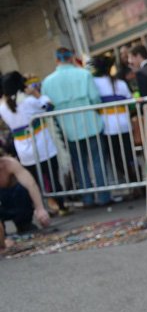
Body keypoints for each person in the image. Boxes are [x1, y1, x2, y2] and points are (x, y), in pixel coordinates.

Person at [41, 47, 112, 208]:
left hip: (68, 129)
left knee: (79, 164)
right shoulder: (84, 74)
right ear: (72, 58)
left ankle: (87, 198)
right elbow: (95, 98)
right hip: (91, 124)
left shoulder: (47, 82)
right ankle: (104, 196)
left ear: (57, 59)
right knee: (97, 161)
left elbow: (48, 106)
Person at [0, 71, 68, 214]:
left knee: (33, 181)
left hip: (24, 149)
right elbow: (49, 107)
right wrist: (37, 93)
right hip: (42, 146)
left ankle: (41, 207)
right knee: (52, 177)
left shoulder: (3, 107)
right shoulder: (28, 101)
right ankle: (61, 206)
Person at [91, 55, 138, 185]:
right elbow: (131, 102)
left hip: (108, 128)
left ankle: (131, 182)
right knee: (129, 155)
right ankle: (136, 180)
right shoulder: (120, 83)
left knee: (116, 158)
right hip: (124, 125)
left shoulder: (95, 83)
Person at [0, 155, 52, 249]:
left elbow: (31, 184)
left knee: (21, 189)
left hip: (13, 200)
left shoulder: (10, 163)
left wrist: (40, 209)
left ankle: (23, 222)